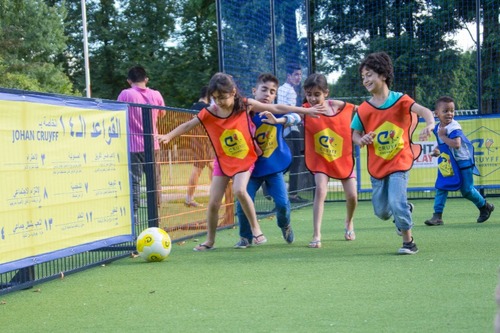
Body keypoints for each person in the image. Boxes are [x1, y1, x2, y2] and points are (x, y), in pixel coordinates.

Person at [157, 72, 324, 251]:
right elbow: (188, 125)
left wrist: (306, 110)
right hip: (226, 161)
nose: (218, 101)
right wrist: (169, 135)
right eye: (214, 98)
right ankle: (218, 240)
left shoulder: (246, 106)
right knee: (217, 202)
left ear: (233, 92)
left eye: (222, 97)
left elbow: (281, 109)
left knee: (255, 195)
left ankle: (266, 228)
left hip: (253, 161)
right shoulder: (213, 111)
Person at [351, 51, 435, 255]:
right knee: (381, 212)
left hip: (400, 161)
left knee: (397, 202)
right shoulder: (364, 109)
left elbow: (424, 111)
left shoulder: (401, 100)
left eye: (369, 74)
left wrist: (430, 123)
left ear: (383, 75)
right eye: (363, 77)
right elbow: (355, 133)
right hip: (378, 166)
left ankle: (409, 242)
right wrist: (361, 140)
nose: (365, 80)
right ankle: (404, 211)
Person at [233, 73, 300, 249]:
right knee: (243, 202)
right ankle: (245, 237)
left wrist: (281, 120)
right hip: (251, 169)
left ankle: (284, 225)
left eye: (272, 91)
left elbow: (297, 117)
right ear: (254, 91)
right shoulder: (244, 115)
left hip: (274, 166)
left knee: (282, 203)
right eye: (264, 89)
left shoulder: (275, 112)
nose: (268, 94)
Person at [300, 73, 358, 248]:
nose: (312, 98)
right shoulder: (305, 110)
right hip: (320, 159)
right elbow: (290, 116)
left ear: (326, 93)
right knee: (320, 191)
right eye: (309, 94)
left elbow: (363, 110)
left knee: (352, 196)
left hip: (342, 158)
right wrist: (279, 119)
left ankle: (349, 222)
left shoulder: (339, 106)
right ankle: (316, 235)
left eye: (317, 94)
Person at [424, 96, 494, 226]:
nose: (449, 113)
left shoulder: (454, 127)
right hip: (448, 163)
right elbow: (442, 143)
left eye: (452, 110)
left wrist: (443, 136)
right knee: (441, 187)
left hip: (462, 163)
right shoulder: (438, 128)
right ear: (436, 113)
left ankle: (485, 206)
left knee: (466, 190)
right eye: (445, 111)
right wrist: (437, 150)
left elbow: (456, 144)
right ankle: (437, 216)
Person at [117, 65, 165, 222]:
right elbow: (163, 113)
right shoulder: (156, 94)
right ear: (146, 79)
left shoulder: (125, 94)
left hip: (133, 145)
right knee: (155, 180)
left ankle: (134, 215)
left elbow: (117, 113)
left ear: (129, 80)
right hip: (153, 144)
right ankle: (156, 213)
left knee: (134, 181)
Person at [278, 62, 308, 203]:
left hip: (285, 128)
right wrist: (301, 114)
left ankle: (289, 193)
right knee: (294, 162)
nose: (298, 77)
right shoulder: (289, 91)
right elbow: (289, 110)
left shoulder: (282, 89)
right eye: (296, 75)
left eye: (300, 75)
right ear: (288, 76)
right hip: (289, 129)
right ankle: (292, 194)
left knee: (289, 161)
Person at [185, 86, 214, 208]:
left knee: (200, 168)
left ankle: (189, 198)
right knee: (212, 168)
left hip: (195, 141)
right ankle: (214, 196)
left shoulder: (193, 107)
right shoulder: (207, 108)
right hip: (206, 142)